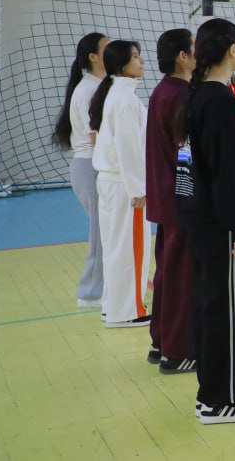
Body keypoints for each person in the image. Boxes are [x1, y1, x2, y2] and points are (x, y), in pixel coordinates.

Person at [179, 18, 235, 423]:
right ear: (231, 49)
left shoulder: (199, 98)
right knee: (232, 312)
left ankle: (210, 393)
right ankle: (225, 400)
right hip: (223, 227)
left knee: (212, 305)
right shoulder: (217, 103)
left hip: (203, 221)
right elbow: (226, 174)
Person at [89, 40, 151, 329]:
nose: (141, 62)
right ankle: (128, 311)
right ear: (122, 65)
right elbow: (129, 148)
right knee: (130, 249)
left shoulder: (115, 93)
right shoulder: (124, 99)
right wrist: (139, 189)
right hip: (124, 186)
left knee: (115, 247)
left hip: (112, 182)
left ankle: (112, 307)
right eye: (136, 57)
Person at [146, 28, 197, 373]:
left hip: (166, 197)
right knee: (181, 276)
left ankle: (161, 341)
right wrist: (192, 197)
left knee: (167, 272)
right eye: (195, 48)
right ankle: (177, 352)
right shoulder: (179, 95)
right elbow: (185, 153)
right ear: (183, 56)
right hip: (179, 199)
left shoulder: (163, 91)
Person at [51, 31, 109, 311]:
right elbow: (96, 136)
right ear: (93, 57)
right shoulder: (88, 89)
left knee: (108, 230)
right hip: (91, 166)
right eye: (107, 48)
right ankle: (90, 293)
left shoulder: (102, 86)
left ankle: (107, 285)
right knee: (100, 232)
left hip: (96, 165)